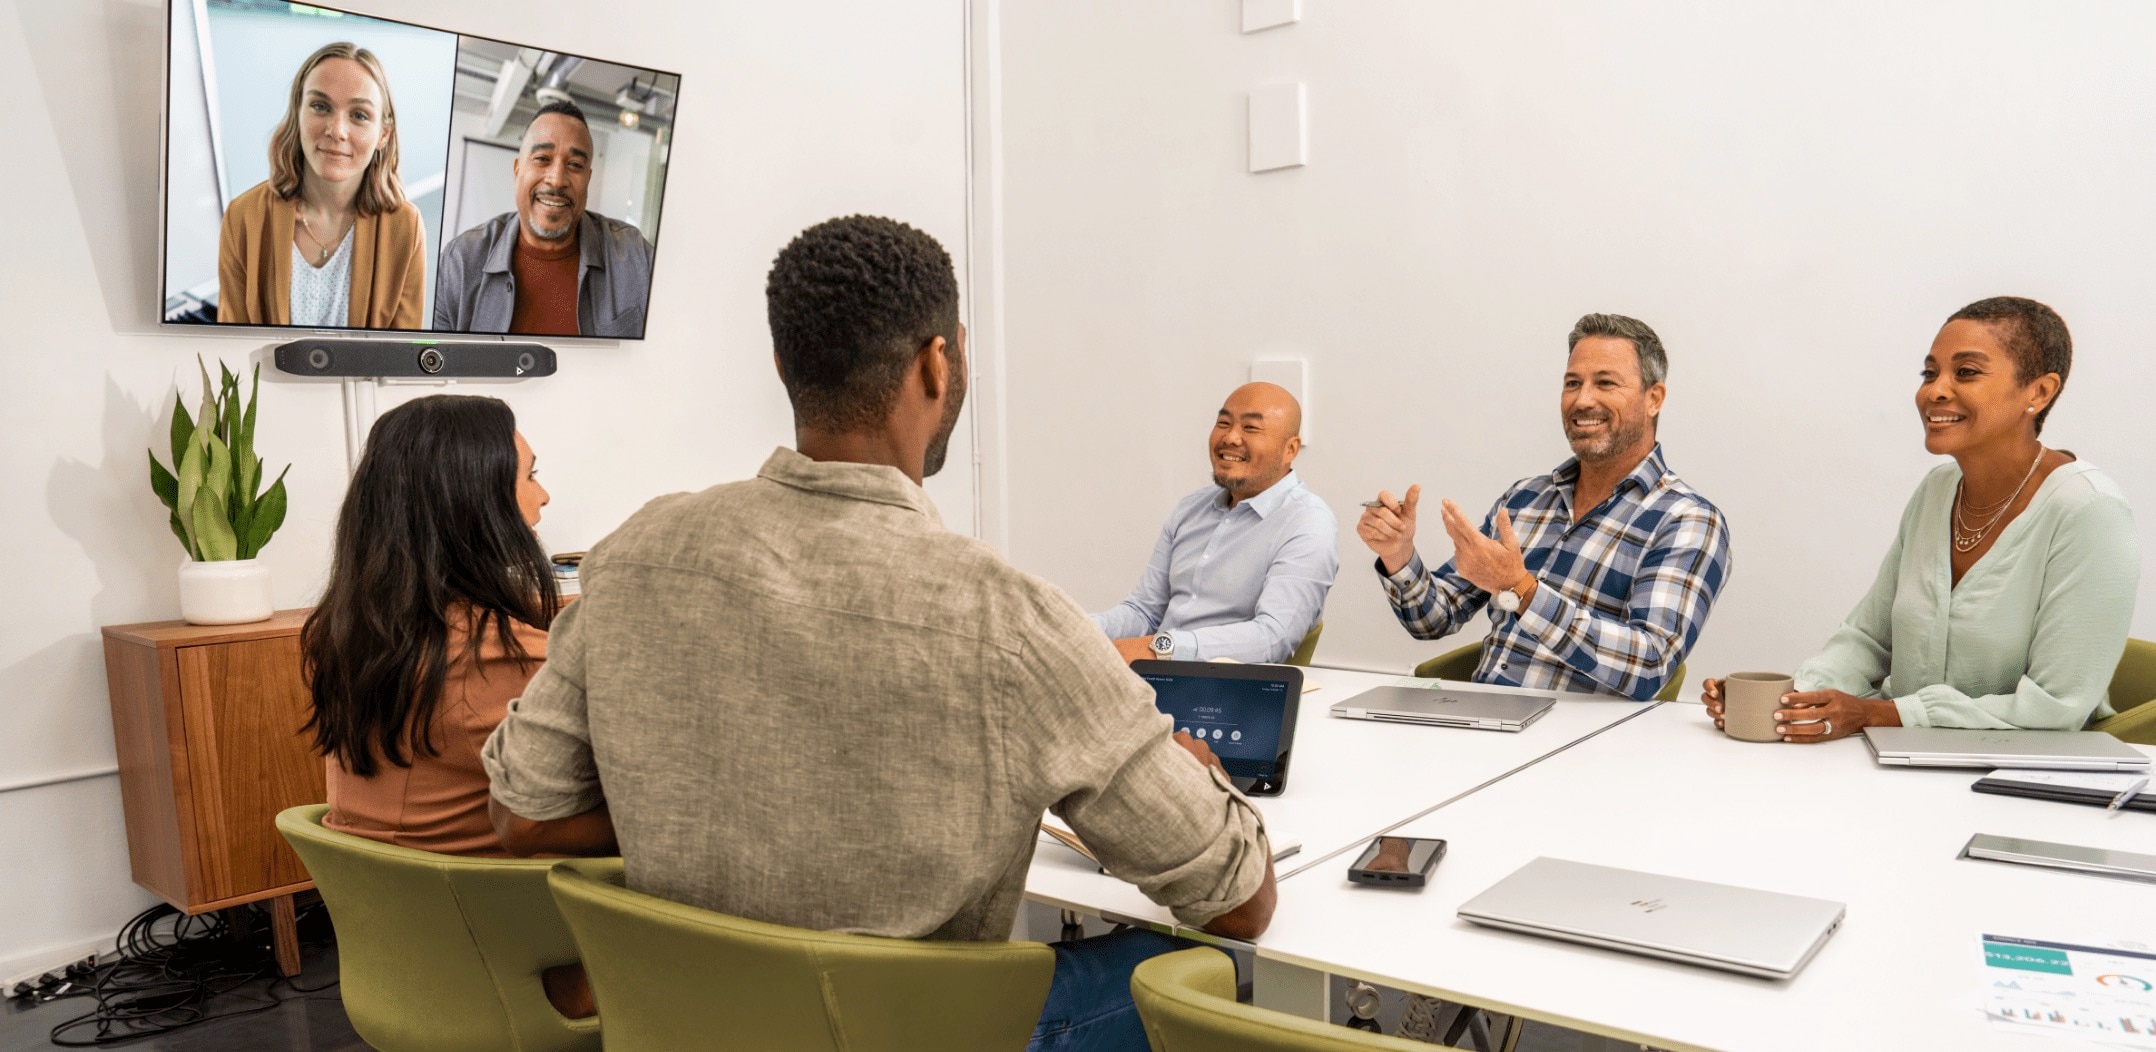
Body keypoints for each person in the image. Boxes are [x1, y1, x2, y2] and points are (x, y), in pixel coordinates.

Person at [482, 215, 1274, 1051]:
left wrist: (718, 808)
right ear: (939, 363)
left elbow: (520, 815)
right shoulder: (1012, 622)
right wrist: (1201, 773)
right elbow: (1239, 897)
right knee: (1204, 970)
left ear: (785, 363)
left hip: (692, 1025)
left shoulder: (634, 554)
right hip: (914, 1034)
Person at [1703, 297, 2139, 740]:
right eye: (1929, 373)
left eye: (1965, 372)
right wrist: (1795, 697)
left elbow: (2057, 705)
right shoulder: (1936, 492)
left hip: (2025, 782)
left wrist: (1882, 714)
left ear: (2039, 392)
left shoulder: (2090, 510)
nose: (1935, 390)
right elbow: (1868, 639)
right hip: (1905, 761)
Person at [299, 394, 594, 1017]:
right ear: (474, 502)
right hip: (523, 974)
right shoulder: (490, 662)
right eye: (531, 476)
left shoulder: (365, 632)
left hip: (423, 962)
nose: (543, 498)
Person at [1357, 314, 1732, 700]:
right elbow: (1433, 620)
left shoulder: (1688, 521)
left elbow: (1648, 666)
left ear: (1653, 399)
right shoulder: (1524, 500)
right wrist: (1398, 555)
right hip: (1479, 726)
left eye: (1605, 383)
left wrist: (1521, 590)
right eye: (1573, 383)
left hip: (1580, 748)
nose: (1582, 400)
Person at [1092, 382, 1338, 664]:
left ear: (1290, 449)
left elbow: (1274, 637)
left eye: (1250, 428)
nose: (1231, 437)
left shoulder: (1308, 522)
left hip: (1226, 692)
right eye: (1223, 423)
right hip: (1155, 675)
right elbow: (1144, 612)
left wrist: (1161, 647)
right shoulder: (1191, 508)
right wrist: (1077, 630)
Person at [217, 42, 426, 329]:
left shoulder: (406, 227)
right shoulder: (243, 216)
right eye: (320, 106)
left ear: (384, 135)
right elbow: (228, 351)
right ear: (298, 114)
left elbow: (400, 360)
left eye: (359, 115)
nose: (336, 131)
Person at [433, 100, 656, 338]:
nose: (557, 179)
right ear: (517, 170)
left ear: (588, 179)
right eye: (542, 158)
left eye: (575, 164)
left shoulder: (636, 258)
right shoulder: (460, 262)